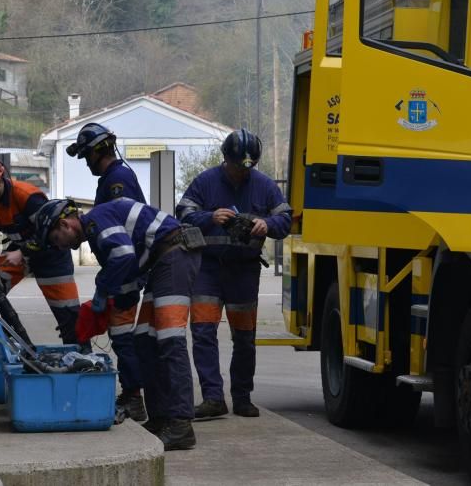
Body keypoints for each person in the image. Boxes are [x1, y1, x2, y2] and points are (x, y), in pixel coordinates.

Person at [33, 197, 202, 451]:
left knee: (170, 340)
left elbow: (123, 256)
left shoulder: (96, 221)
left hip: (175, 253)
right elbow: (130, 266)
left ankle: (181, 425)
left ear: (65, 224)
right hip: (163, 261)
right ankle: (160, 418)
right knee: (144, 340)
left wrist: (103, 289)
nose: (62, 248)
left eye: (57, 240)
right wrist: (119, 296)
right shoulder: (96, 230)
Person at [176, 129, 292, 419]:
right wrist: (210, 216)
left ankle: (242, 397)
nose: (241, 172)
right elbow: (183, 213)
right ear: (225, 159)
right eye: (236, 166)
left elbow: (285, 219)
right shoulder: (206, 182)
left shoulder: (264, 185)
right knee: (203, 333)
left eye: (247, 167)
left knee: (244, 337)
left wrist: (268, 224)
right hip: (208, 269)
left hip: (244, 272)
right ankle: (213, 398)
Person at [66, 122, 148, 422]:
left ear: (99, 151)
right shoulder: (110, 180)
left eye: (87, 155)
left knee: (123, 335)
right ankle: (133, 392)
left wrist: (106, 286)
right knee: (122, 334)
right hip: (126, 265)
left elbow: (119, 233)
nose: (86, 162)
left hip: (128, 266)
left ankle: (134, 397)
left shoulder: (118, 180)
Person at [0, 157, 80, 345]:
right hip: (19, 252)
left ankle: (80, 356)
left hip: (51, 253)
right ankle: (3, 344)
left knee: (68, 313)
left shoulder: (27, 196)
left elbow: (48, 232)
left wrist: (22, 253)